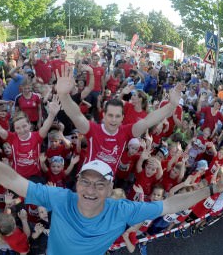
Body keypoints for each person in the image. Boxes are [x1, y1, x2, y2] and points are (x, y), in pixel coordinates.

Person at [0, 87, 223, 254]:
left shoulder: (123, 209)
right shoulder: (63, 198)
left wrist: (209, 190)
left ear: (109, 189)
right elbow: (9, 177)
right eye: (86, 182)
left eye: (99, 185)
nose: (90, 189)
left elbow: (171, 203)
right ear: (77, 182)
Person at [56, 64, 184, 173]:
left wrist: (171, 105)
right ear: (104, 115)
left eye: (117, 116)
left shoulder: (125, 131)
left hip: (106, 185)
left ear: (122, 117)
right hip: (88, 179)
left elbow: (148, 121)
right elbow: (76, 114)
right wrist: (63, 95)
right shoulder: (93, 129)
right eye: (110, 115)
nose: (113, 119)